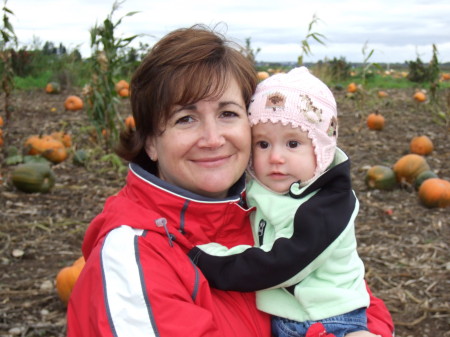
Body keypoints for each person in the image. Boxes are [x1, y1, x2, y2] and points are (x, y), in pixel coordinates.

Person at [66, 25, 395, 337]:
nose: (212, 139)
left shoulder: (264, 207)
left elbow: (358, 298)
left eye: (228, 114)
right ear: (151, 141)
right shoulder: (134, 258)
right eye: (186, 118)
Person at [187, 66, 379, 337]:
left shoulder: (328, 204)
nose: (275, 157)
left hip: (330, 319)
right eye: (263, 144)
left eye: (292, 144)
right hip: (286, 319)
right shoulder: (262, 186)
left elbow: (282, 262)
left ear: (320, 152)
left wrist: (203, 259)